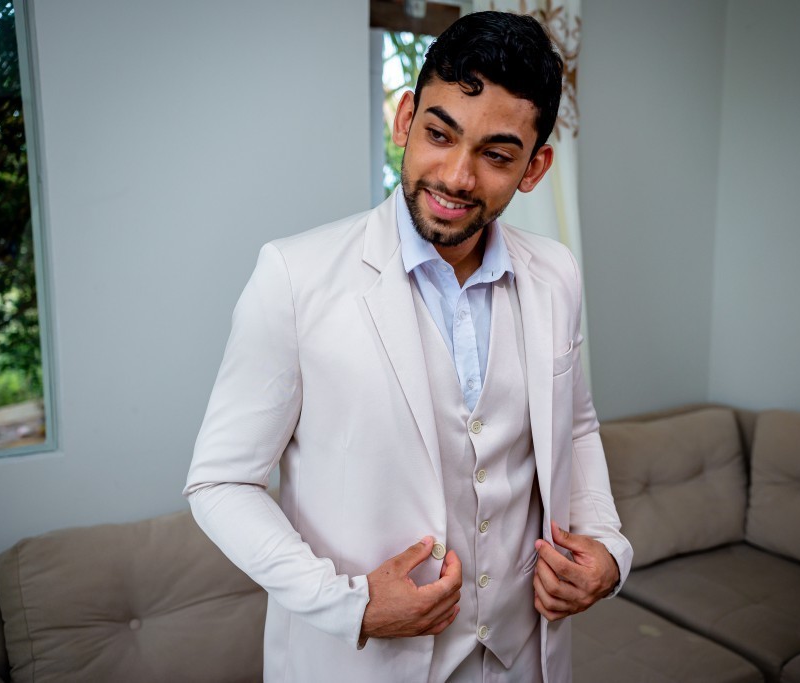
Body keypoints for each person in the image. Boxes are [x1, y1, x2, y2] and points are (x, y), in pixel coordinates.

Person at [184, 10, 632, 682]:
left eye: (496, 155)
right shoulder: (293, 278)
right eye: (439, 134)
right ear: (405, 120)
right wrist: (350, 604)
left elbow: (576, 426)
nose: (456, 176)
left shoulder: (556, 274)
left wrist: (608, 546)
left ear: (534, 167)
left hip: (527, 661)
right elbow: (220, 483)